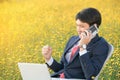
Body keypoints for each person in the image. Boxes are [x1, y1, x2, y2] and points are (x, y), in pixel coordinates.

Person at [42, 7, 109, 80]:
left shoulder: (100, 45)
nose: (78, 29)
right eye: (77, 25)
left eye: (82, 26)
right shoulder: (73, 39)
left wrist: (82, 48)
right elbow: (63, 68)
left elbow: (90, 74)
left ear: (94, 27)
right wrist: (48, 58)